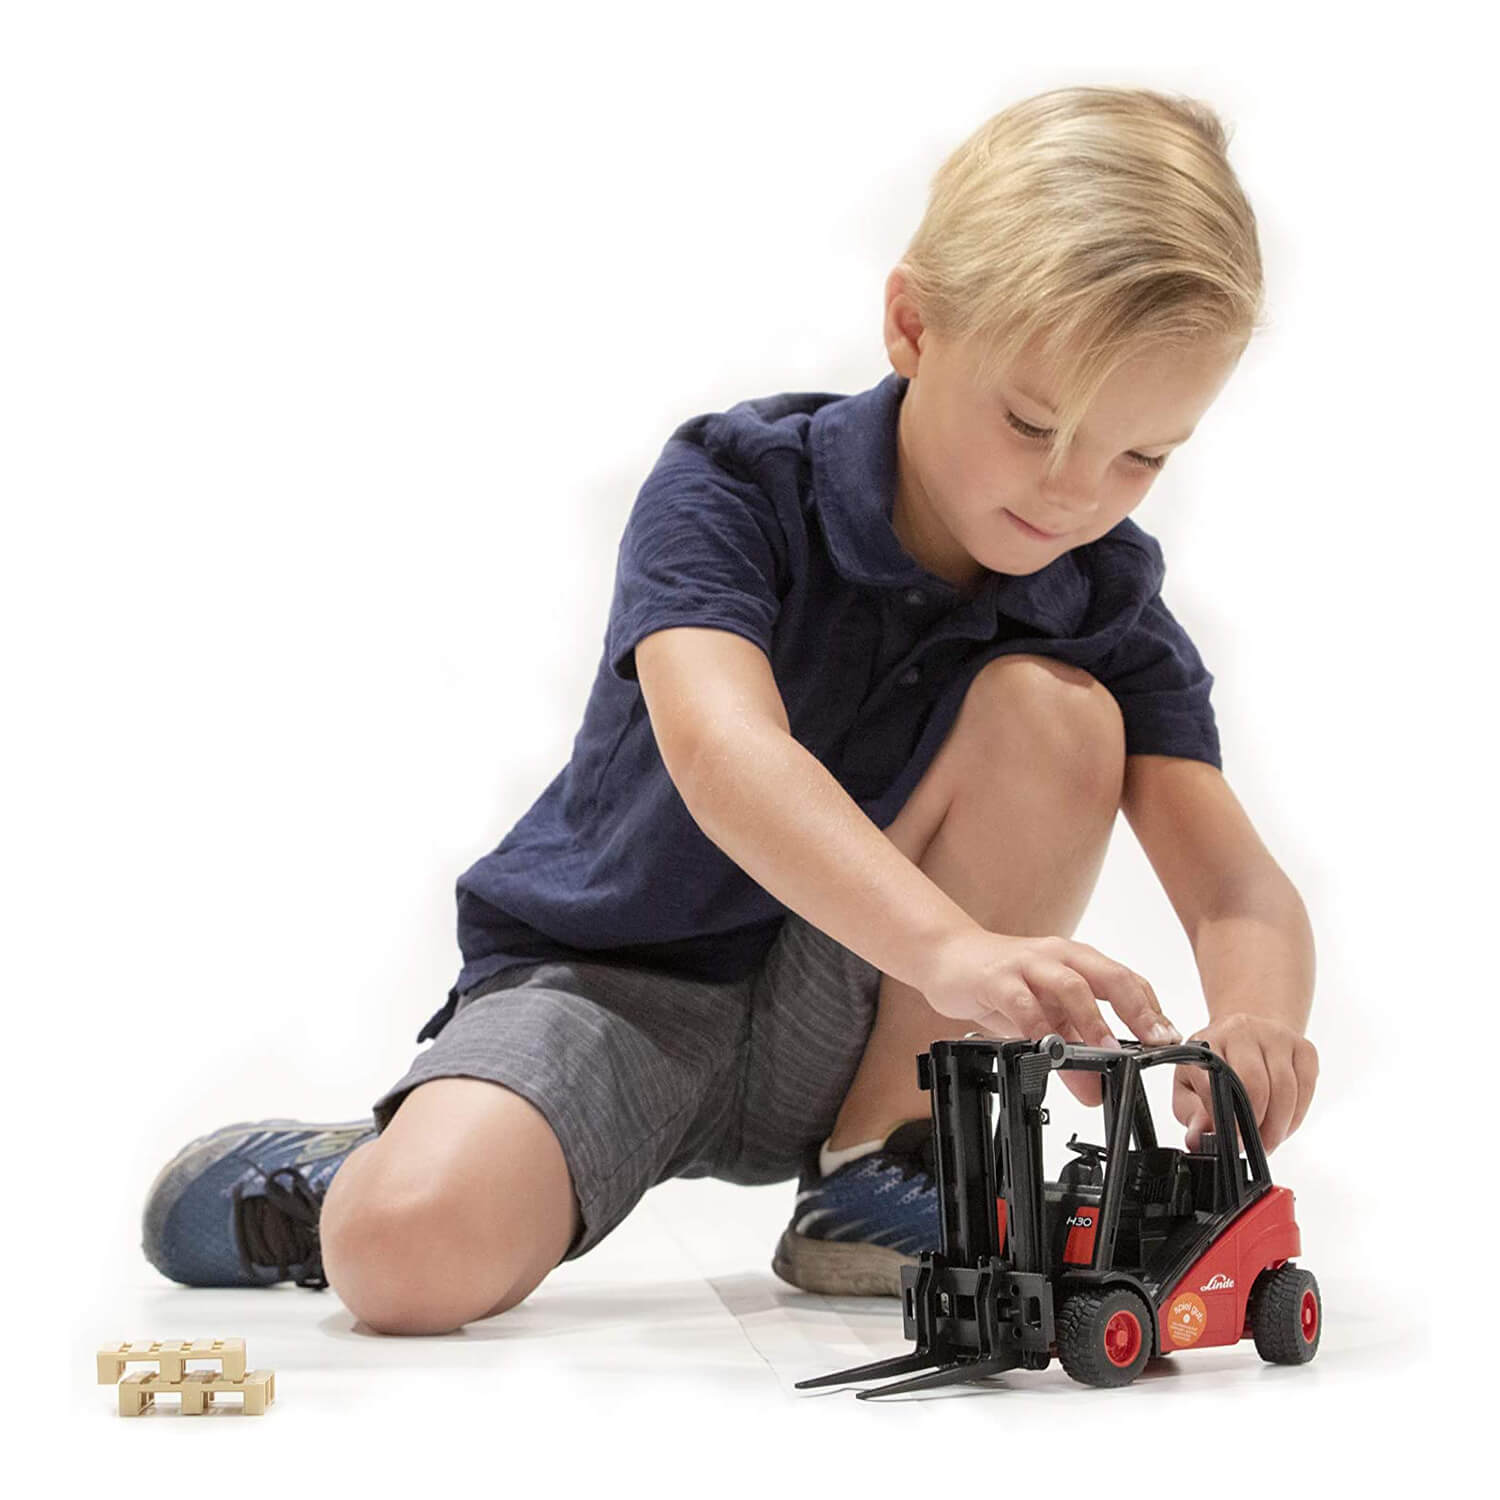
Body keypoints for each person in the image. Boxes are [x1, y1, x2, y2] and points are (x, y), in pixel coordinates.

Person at [140, 85, 1319, 1335]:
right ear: (913, 324)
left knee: (1064, 713)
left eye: (1141, 457)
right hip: (619, 984)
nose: (1076, 491)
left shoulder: (1102, 599)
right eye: (1035, 423)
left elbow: (1234, 884)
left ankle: (892, 1160)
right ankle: (362, 1171)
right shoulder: (736, 489)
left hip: (866, 1018)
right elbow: (723, 752)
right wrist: (951, 951)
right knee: (405, 1263)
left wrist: (1257, 1023)